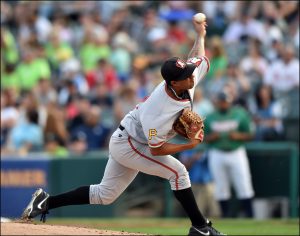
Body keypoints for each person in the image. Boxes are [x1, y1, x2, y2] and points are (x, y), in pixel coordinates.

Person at [21, 16, 225, 236]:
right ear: (173, 82)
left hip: (129, 138)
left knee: (105, 195)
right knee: (178, 173)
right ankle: (200, 227)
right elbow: (156, 149)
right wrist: (189, 145)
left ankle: (46, 202)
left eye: (188, 71)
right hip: (131, 143)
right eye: (185, 76)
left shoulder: (185, 79)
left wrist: (200, 35)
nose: (191, 76)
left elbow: (196, 57)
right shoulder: (158, 112)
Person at [204, 90, 255, 218]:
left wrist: (239, 135)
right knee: (220, 186)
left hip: (236, 152)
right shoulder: (210, 117)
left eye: (225, 101)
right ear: (217, 103)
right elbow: (202, 137)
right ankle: (225, 216)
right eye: (221, 102)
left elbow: (251, 134)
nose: (223, 104)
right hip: (217, 152)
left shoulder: (240, 114)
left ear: (230, 102)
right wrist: (211, 137)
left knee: (243, 183)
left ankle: (250, 216)